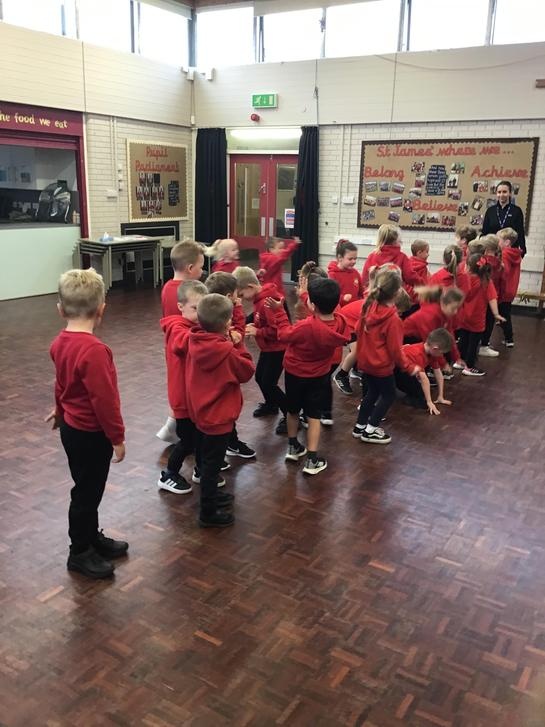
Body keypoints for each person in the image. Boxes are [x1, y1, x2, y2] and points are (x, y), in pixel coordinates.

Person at [46, 269, 127, 580]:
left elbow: (62, 384)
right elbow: (105, 401)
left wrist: (59, 410)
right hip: (91, 434)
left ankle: (91, 537)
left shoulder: (59, 342)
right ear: (101, 309)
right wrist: (117, 437)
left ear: (60, 310)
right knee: (86, 492)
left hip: (72, 430)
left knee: (88, 488)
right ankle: (79, 552)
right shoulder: (95, 351)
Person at [266, 277, 351, 475]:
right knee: (314, 416)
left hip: (294, 373)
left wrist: (279, 312)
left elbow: (284, 335)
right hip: (319, 375)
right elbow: (321, 310)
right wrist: (305, 295)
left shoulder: (305, 326)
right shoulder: (341, 323)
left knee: (293, 410)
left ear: (312, 305)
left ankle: (293, 447)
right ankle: (312, 460)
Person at [185, 294, 255, 527]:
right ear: (226, 323)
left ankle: (212, 496)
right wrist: (238, 343)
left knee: (206, 460)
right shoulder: (226, 351)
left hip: (200, 412)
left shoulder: (194, 339)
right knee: (212, 466)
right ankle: (208, 513)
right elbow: (246, 371)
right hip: (219, 417)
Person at [353, 268, 420, 444]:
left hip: (365, 363)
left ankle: (360, 426)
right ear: (397, 292)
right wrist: (409, 367)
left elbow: (357, 329)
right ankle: (371, 429)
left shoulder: (369, 306)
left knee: (371, 393)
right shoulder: (393, 320)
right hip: (381, 367)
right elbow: (396, 351)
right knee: (388, 395)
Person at [157, 280, 208, 495]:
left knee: (200, 437)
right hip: (182, 399)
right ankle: (168, 474)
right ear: (180, 306)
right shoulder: (176, 327)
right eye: (195, 308)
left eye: (203, 309)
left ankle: (201, 470)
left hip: (195, 397)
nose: (199, 314)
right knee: (188, 441)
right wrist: (212, 334)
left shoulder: (197, 326)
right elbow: (183, 342)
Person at [204, 272, 256, 459]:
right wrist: (239, 311)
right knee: (222, 412)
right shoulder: (224, 322)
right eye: (236, 293)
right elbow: (239, 334)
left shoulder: (208, 316)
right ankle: (214, 457)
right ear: (228, 297)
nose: (238, 296)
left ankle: (228, 443)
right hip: (226, 372)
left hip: (216, 377)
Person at [157, 240, 205, 444]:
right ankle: (178, 430)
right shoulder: (185, 293)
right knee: (184, 391)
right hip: (184, 347)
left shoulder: (168, 287)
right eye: (201, 267)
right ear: (190, 268)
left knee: (179, 388)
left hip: (174, 345)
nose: (202, 271)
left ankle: (173, 426)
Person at [234, 266, 288, 435]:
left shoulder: (267, 302)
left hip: (277, 349)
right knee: (260, 378)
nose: (242, 299)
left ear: (250, 287)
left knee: (269, 383)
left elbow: (276, 331)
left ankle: (290, 415)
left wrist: (258, 331)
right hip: (268, 347)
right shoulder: (260, 298)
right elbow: (261, 318)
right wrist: (254, 324)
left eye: (242, 294)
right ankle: (271, 405)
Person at [455, 253, 505, 377]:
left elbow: (458, 295)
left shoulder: (464, 279)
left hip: (463, 315)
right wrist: (496, 314)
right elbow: (492, 298)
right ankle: (469, 367)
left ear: (468, 267)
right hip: (477, 317)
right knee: (473, 343)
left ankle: (459, 361)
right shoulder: (486, 282)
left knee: (463, 338)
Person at [403, 286, 465, 373]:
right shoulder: (430, 316)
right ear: (443, 304)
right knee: (425, 357)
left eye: (457, 308)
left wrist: (457, 357)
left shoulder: (446, 314)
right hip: (406, 339)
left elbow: (449, 336)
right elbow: (431, 343)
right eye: (453, 308)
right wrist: (443, 364)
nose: (455, 312)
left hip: (420, 339)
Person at [395, 328, 453, 414]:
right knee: (423, 402)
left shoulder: (432, 353)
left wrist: (441, 396)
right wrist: (429, 402)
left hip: (406, 371)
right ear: (435, 348)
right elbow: (424, 379)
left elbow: (438, 373)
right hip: (395, 371)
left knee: (425, 393)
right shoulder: (418, 354)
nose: (442, 355)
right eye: (442, 353)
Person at [361, 224, 422, 289]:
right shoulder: (402, 257)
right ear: (396, 240)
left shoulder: (372, 256)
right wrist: (423, 283)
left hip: (376, 292)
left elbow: (364, 280)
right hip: (395, 293)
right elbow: (410, 277)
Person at [482, 180, 526, 257]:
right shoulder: (490, 211)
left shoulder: (516, 211)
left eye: (504, 192)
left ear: (510, 193)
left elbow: (520, 232)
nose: (501, 195)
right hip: (493, 251)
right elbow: (485, 232)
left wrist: (522, 250)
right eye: (499, 192)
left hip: (510, 252)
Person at [497, 227, 522, 348]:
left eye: (499, 239)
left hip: (504, 289)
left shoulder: (505, 254)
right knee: (505, 313)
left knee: (502, 314)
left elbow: (504, 271)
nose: (497, 241)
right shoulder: (515, 253)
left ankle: (509, 338)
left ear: (507, 242)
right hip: (511, 288)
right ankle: (508, 338)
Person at [478, 235, 503, 358]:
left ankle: (483, 345)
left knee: (484, 321)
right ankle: (483, 344)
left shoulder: (483, 262)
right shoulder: (498, 263)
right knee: (488, 322)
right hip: (492, 296)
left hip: (483, 296)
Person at [327, 239, 363, 306]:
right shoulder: (333, 275)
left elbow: (361, 292)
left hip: (355, 308)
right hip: (341, 310)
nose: (354, 261)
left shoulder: (355, 273)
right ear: (340, 258)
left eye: (355, 258)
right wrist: (342, 298)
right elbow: (330, 295)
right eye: (350, 259)